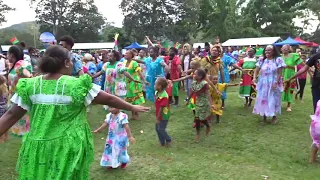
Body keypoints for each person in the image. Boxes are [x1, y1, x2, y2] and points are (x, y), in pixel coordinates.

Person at [0, 45, 149, 179]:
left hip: (37, 146)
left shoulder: (30, 85)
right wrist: (132, 107)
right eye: (71, 61)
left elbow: (11, 115)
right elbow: (109, 99)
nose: (72, 64)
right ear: (66, 63)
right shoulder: (76, 86)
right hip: (68, 148)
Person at [253, 45, 286, 124]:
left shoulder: (278, 60)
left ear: (274, 51)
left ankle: (274, 117)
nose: (267, 52)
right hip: (263, 82)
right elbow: (256, 70)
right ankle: (264, 116)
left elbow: (279, 73)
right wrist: (254, 78)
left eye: (269, 50)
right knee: (263, 98)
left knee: (272, 99)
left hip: (273, 82)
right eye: (266, 50)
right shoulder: (262, 60)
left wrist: (276, 82)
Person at [7, 45, 32, 136]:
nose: (7, 56)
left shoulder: (20, 64)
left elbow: (24, 71)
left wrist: (29, 76)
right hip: (14, 96)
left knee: (22, 122)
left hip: (20, 98)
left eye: (8, 54)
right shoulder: (13, 65)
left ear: (12, 54)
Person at [188, 68, 213, 142]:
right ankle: (198, 134)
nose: (193, 75)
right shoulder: (194, 83)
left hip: (204, 103)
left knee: (202, 119)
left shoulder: (204, 84)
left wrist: (211, 104)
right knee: (197, 119)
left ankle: (208, 126)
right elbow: (192, 91)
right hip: (198, 102)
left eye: (195, 74)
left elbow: (208, 94)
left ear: (200, 76)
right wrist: (188, 99)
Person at [123, 50, 149, 119]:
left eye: (127, 53)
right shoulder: (124, 62)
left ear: (131, 55)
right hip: (127, 83)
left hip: (134, 83)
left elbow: (139, 72)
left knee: (135, 99)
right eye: (125, 53)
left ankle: (136, 113)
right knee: (130, 98)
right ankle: (133, 113)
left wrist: (144, 81)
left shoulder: (134, 63)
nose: (125, 54)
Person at [281, 44, 302, 112]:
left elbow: (302, 63)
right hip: (282, 75)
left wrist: (309, 68)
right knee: (281, 89)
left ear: (289, 49)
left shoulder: (293, 55)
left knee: (290, 89)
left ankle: (289, 105)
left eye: (286, 48)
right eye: (283, 48)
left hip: (291, 75)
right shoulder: (280, 57)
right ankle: (279, 103)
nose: (284, 49)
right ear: (281, 49)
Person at [154, 77, 171, 147]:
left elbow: (161, 108)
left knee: (161, 128)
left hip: (164, 115)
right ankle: (162, 142)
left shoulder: (164, 95)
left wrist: (158, 118)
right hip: (159, 114)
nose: (154, 86)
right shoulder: (157, 92)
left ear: (160, 86)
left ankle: (168, 139)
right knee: (157, 128)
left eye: (155, 84)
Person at [0, 75, 8, 143]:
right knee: (4, 123)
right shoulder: (5, 88)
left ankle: (1, 139)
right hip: (5, 108)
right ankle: (5, 137)